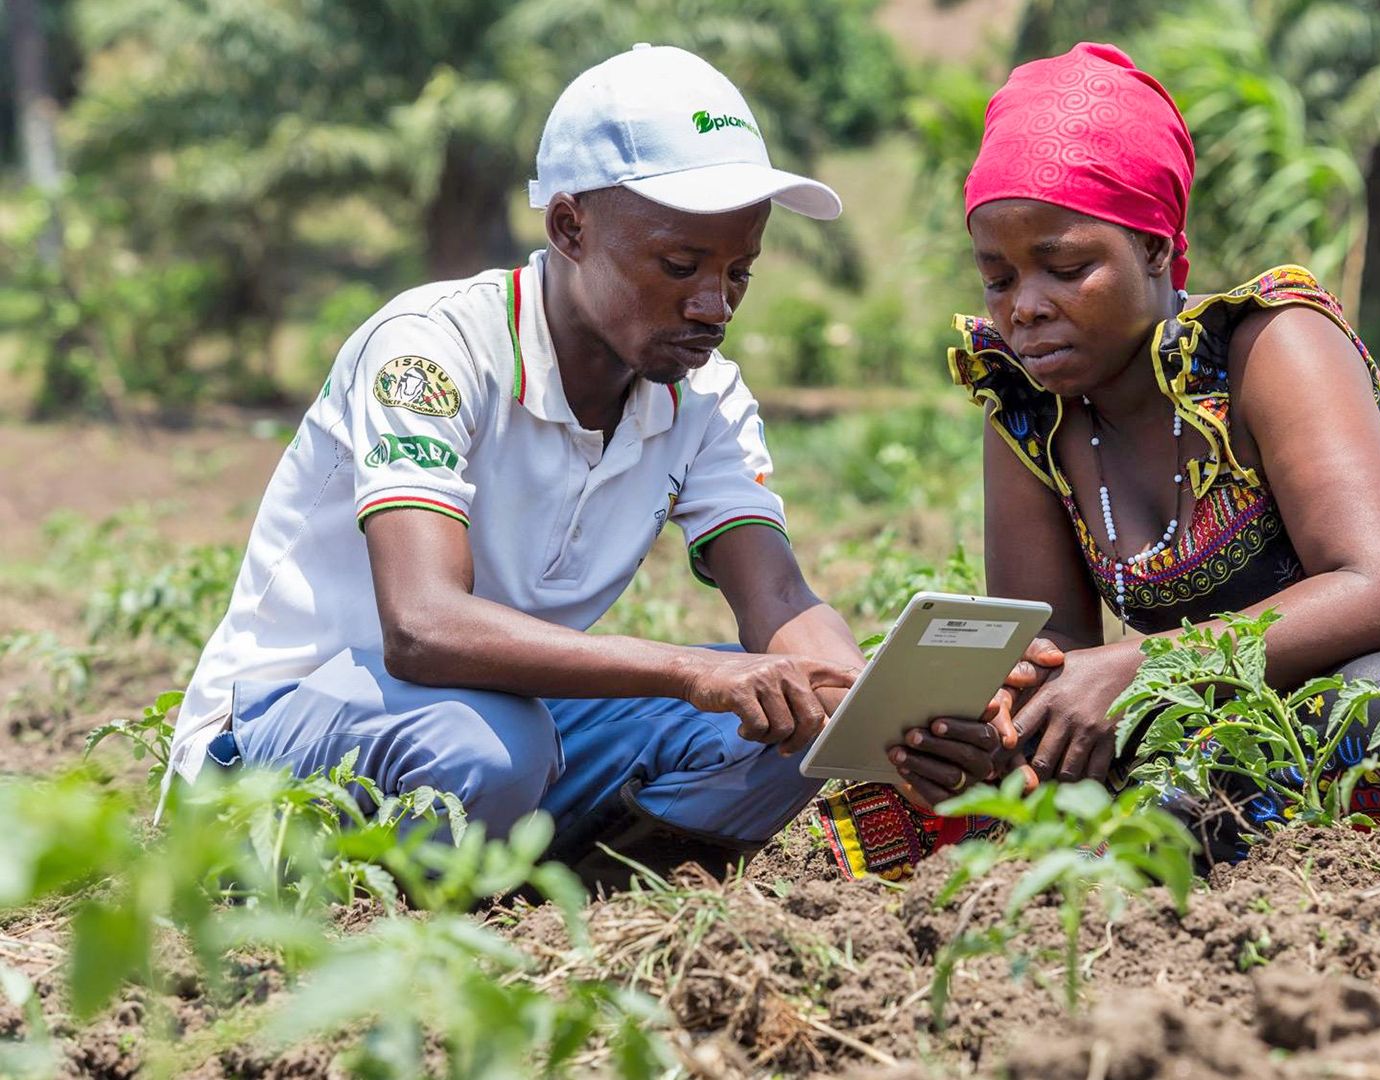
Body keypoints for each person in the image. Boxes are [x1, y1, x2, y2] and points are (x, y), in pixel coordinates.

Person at [819, 42, 1380, 879]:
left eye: (1064, 267)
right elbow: (1057, 650)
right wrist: (996, 727)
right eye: (998, 279)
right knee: (915, 791)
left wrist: (1143, 668)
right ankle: (1164, 851)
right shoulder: (1026, 406)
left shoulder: (1273, 346)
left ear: (1157, 248)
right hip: (1259, 713)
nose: (1027, 308)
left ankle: (1193, 852)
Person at [167, 45, 960, 886]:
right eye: (681, 265)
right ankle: (390, 928)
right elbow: (422, 626)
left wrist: (880, 712)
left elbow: (779, 600)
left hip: (510, 732)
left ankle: (585, 914)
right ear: (570, 227)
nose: (713, 305)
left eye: (739, 272)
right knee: (488, 748)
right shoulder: (433, 350)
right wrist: (692, 669)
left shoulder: (701, 395)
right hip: (274, 735)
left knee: (781, 729)